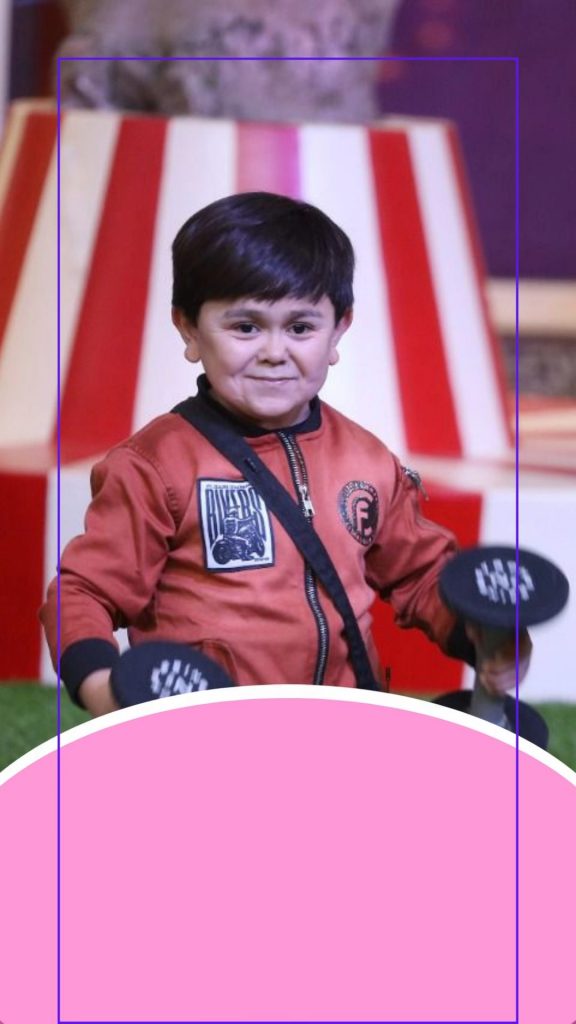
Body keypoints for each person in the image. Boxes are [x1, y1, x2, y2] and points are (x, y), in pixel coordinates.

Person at [40, 191, 530, 716]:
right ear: (188, 328)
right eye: (245, 327)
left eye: (300, 327)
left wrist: (482, 634)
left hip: (342, 729)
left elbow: (422, 576)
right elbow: (83, 593)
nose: (274, 352)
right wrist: (103, 688)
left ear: (338, 329)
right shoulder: (155, 466)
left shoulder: (368, 461)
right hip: (209, 735)